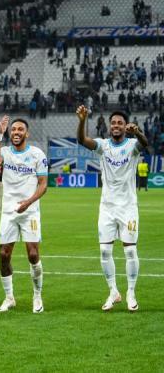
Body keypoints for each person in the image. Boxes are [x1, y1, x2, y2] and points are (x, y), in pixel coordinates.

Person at [76, 106, 147, 311]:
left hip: (128, 207)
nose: (116, 125)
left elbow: (145, 143)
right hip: (107, 208)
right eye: (113, 123)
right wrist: (82, 120)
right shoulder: (103, 145)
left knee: (130, 250)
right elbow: (82, 140)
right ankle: (113, 291)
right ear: (110, 126)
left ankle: (131, 292)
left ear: (125, 126)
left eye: (120, 123)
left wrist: (138, 132)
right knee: (105, 251)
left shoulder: (132, 145)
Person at [0, 115, 48, 313]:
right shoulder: (5, 152)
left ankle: (37, 296)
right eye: (13, 129)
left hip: (30, 211)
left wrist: (28, 202)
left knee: (33, 254)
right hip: (8, 211)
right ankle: (9, 298)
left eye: (20, 129)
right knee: (4, 255)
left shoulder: (37, 154)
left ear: (27, 133)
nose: (16, 132)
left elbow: (43, 185)